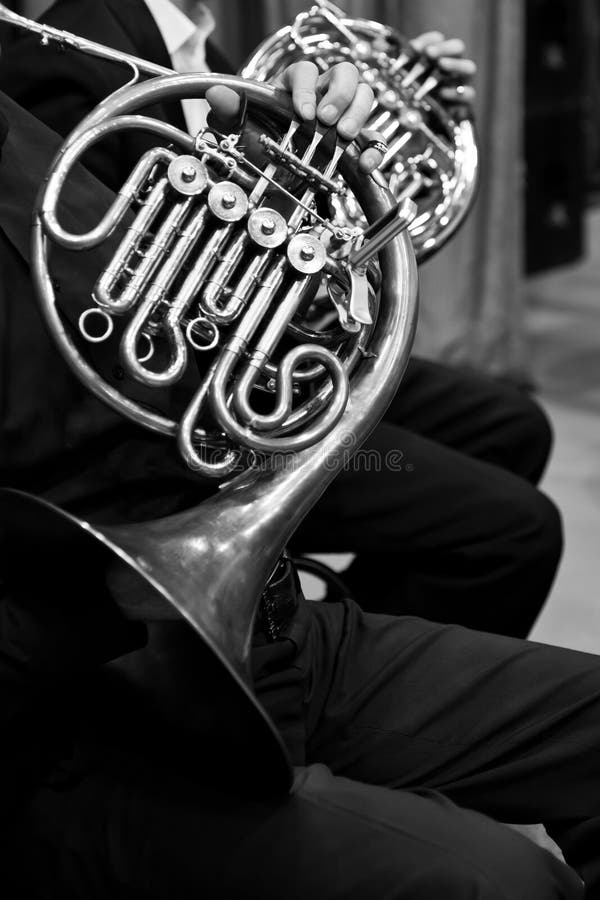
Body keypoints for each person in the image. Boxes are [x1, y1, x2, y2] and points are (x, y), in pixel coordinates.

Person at [1, 39, 600, 900]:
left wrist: (280, 170)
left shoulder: (15, 121)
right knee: (502, 881)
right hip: (92, 708)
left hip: (253, 619)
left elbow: (147, 303)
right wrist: (119, 591)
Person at [0, 0, 563, 639]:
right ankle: (327, 659)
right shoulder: (67, 49)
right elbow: (103, 300)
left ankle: (362, 635)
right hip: (199, 409)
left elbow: (257, 209)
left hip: (264, 353)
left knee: (513, 427)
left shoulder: (191, 39)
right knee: (516, 532)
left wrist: (397, 110)